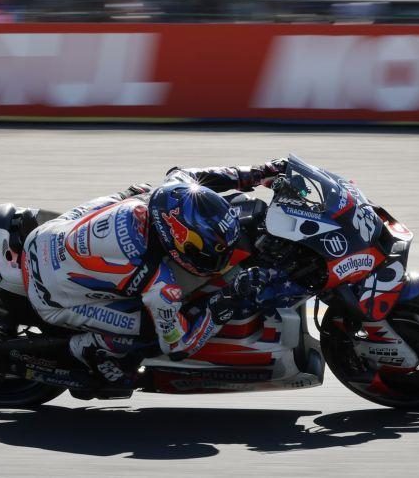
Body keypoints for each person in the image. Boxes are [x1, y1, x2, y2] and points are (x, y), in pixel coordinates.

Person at [21, 159, 288, 387]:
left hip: (46, 236)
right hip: (52, 295)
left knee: (140, 191)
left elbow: (196, 178)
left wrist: (257, 172)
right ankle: (86, 349)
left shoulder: (171, 194)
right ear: (177, 241)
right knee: (150, 334)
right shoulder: (160, 285)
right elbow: (178, 346)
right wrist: (227, 300)